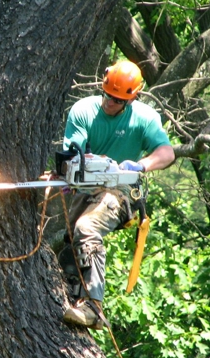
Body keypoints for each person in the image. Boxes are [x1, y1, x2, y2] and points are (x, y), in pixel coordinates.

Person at [60, 60, 175, 330]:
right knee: (70, 240)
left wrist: (141, 165)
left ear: (131, 98)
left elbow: (167, 152)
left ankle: (93, 307)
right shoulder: (83, 110)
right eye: (108, 96)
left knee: (87, 227)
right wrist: (71, 169)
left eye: (117, 100)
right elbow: (72, 151)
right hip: (88, 187)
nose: (110, 103)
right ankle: (72, 295)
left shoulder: (144, 118)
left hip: (121, 191)